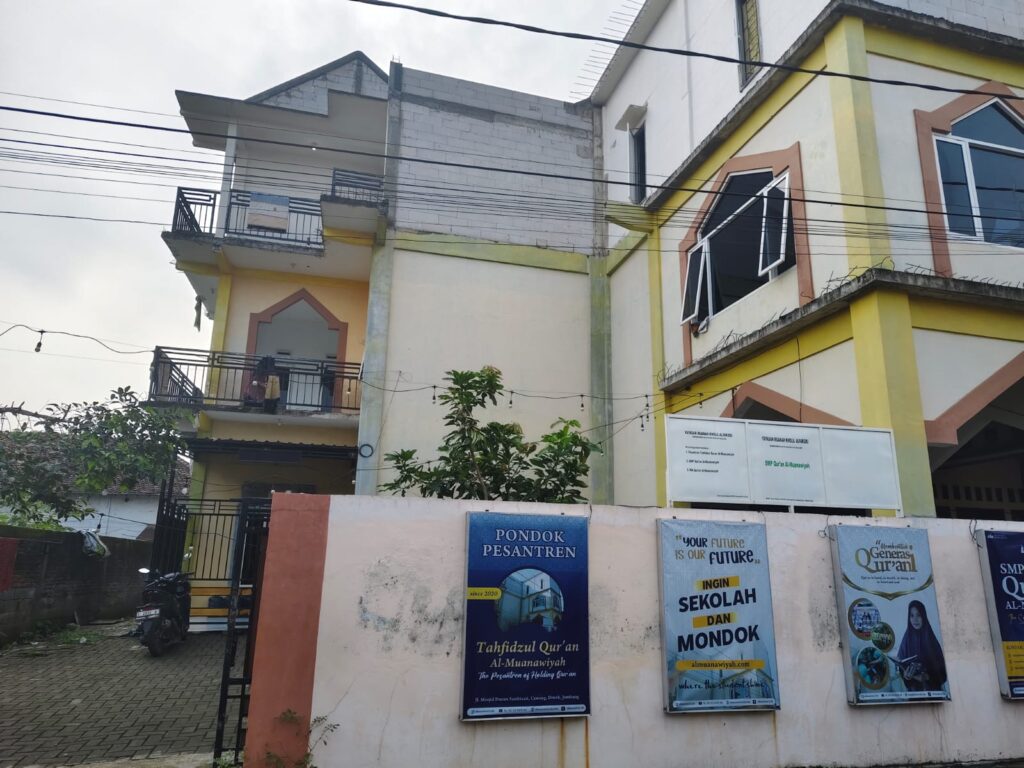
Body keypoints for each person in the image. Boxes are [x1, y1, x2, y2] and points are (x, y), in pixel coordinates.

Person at [896, 600, 947, 692]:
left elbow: (942, 671)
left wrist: (927, 677)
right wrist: (907, 676)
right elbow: (901, 665)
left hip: (933, 693)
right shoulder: (907, 639)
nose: (915, 619)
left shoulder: (930, 639)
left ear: (924, 617)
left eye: (918, 615)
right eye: (912, 616)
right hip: (914, 695)